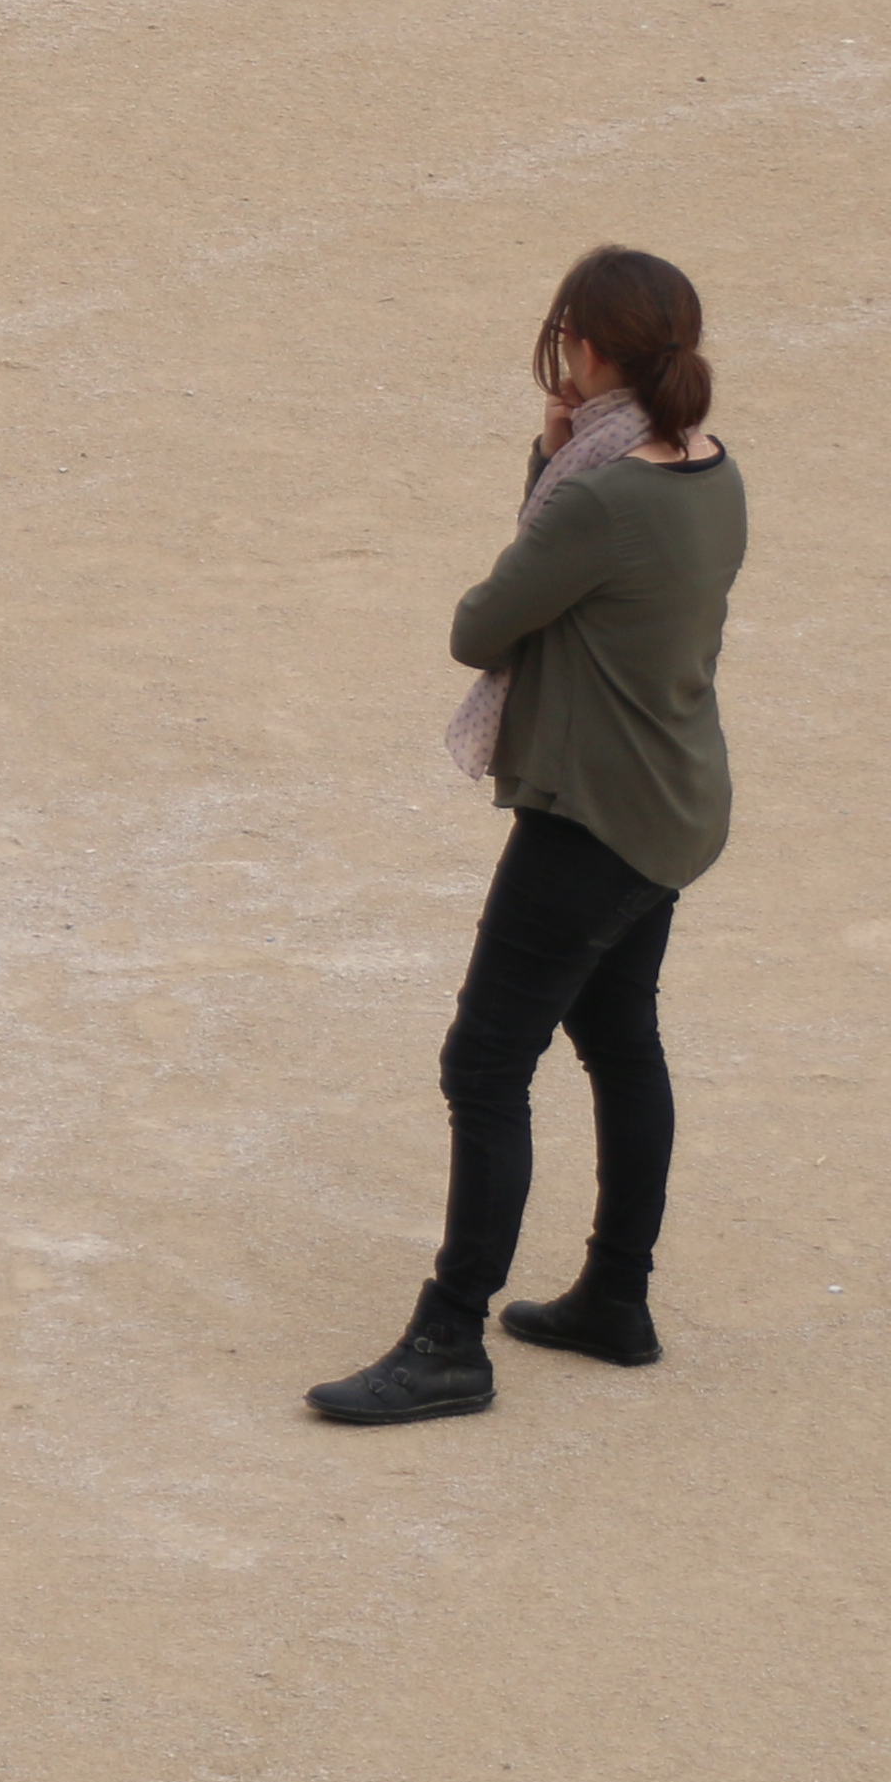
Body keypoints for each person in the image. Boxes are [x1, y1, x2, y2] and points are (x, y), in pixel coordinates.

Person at [309, 248, 745, 1429]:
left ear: (590, 352)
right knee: (617, 1034)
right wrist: (558, 464)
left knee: (487, 1062)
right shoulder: (711, 470)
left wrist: (550, 466)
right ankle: (615, 1295)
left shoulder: (604, 495)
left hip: (594, 819)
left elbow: (484, 621)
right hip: (671, 802)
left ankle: (451, 1337)